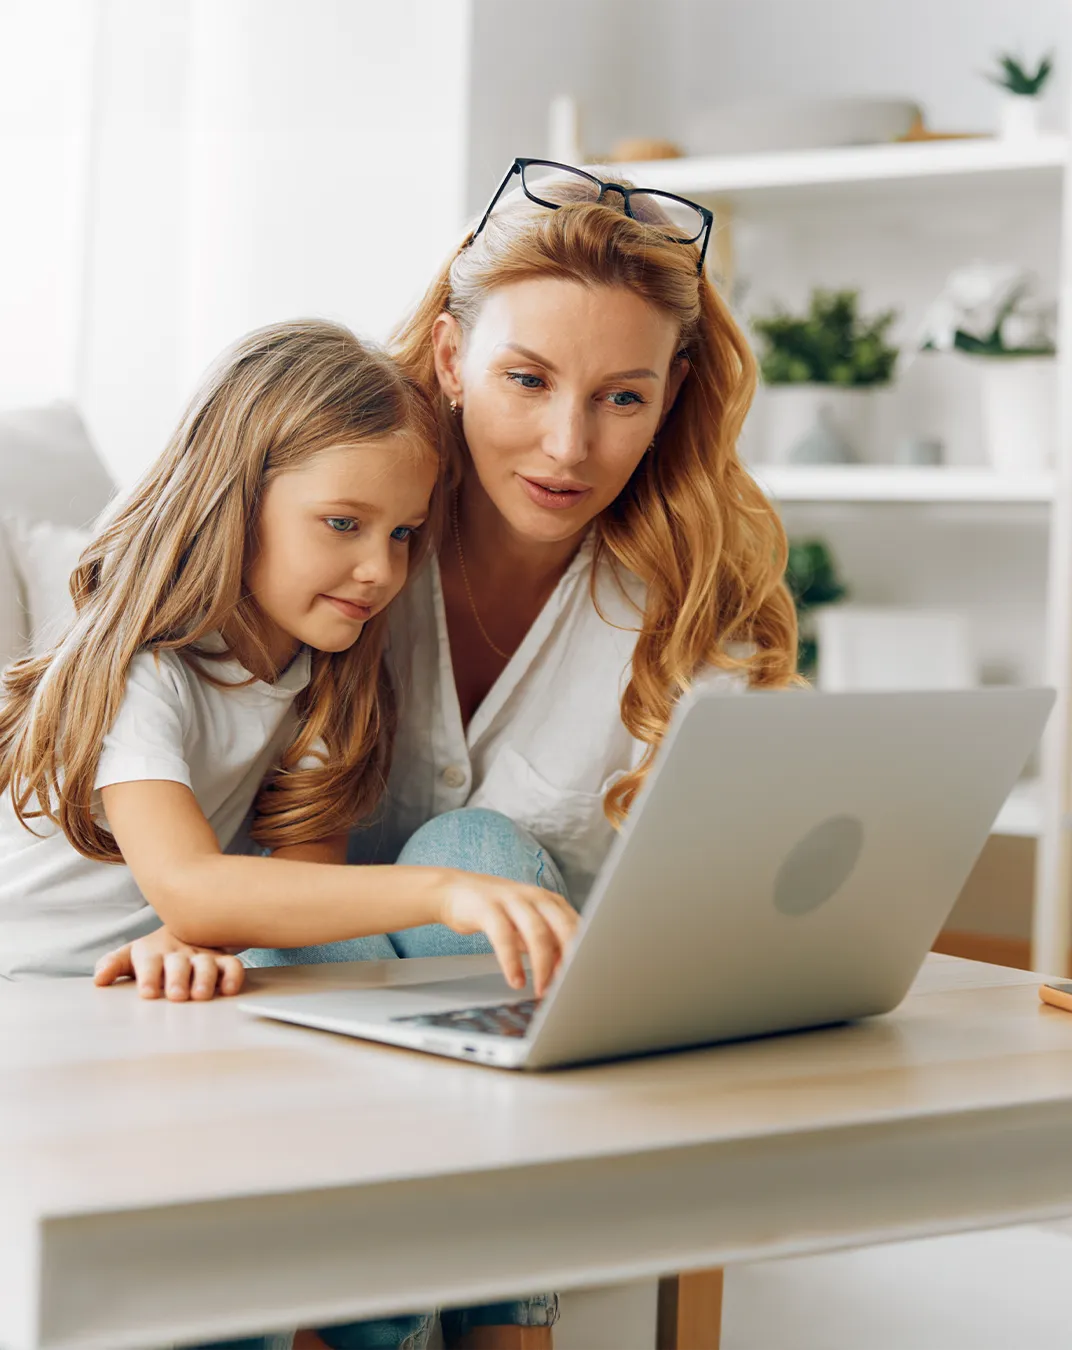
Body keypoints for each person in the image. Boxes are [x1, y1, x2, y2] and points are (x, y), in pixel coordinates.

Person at [98, 162, 799, 1350]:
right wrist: (205, 910)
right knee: (458, 855)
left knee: (482, 847)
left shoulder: (686, 615)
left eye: (623, 398)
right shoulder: (336, 546)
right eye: (526, 380)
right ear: (449, 357)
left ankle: (499, 1312)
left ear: (675, 395)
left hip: (510, 1047)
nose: (568, 445)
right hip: (309, 980)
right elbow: (230, 788)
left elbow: (745, 890)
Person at [0, 318, 576, 994]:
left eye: (401, 533)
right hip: (47, 987)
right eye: (343, 524)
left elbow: (308, 861)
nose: (380, 570)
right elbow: (187, 884)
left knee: (444, 875)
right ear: (234, 503)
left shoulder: (323, 672)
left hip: (178, 967)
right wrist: (443, 892)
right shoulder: (143, 674)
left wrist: (195, 932)